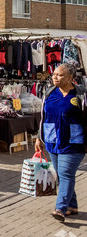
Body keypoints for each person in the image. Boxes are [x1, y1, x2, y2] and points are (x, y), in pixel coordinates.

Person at [36, 63, 86, 222]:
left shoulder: (81, 94)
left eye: (59, 75)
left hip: (74, 142)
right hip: (52, 141)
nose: (54, 77)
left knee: (66, 174)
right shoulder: (49, 93)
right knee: (62, 175)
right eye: (54, 74)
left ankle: (61, 208)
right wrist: (39, 137)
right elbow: (43, 117)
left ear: (71, 78)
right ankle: (72, 206)